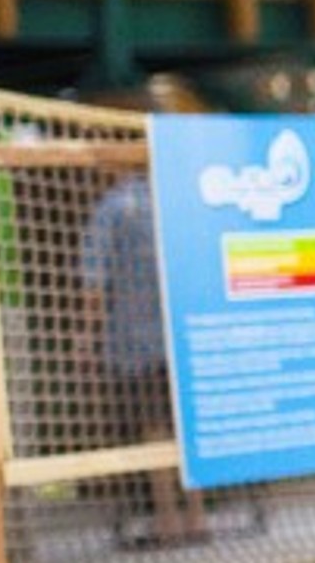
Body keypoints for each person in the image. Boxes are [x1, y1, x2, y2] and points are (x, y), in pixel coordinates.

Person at [80, 172, 208, 549]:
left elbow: (93, 277)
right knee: (190, 427)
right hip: (188, 334)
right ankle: (197, 517)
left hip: (136, 343)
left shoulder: (116, 206)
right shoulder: (183, 202)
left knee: (153, 428)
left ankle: (167, 521)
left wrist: (87, 336)